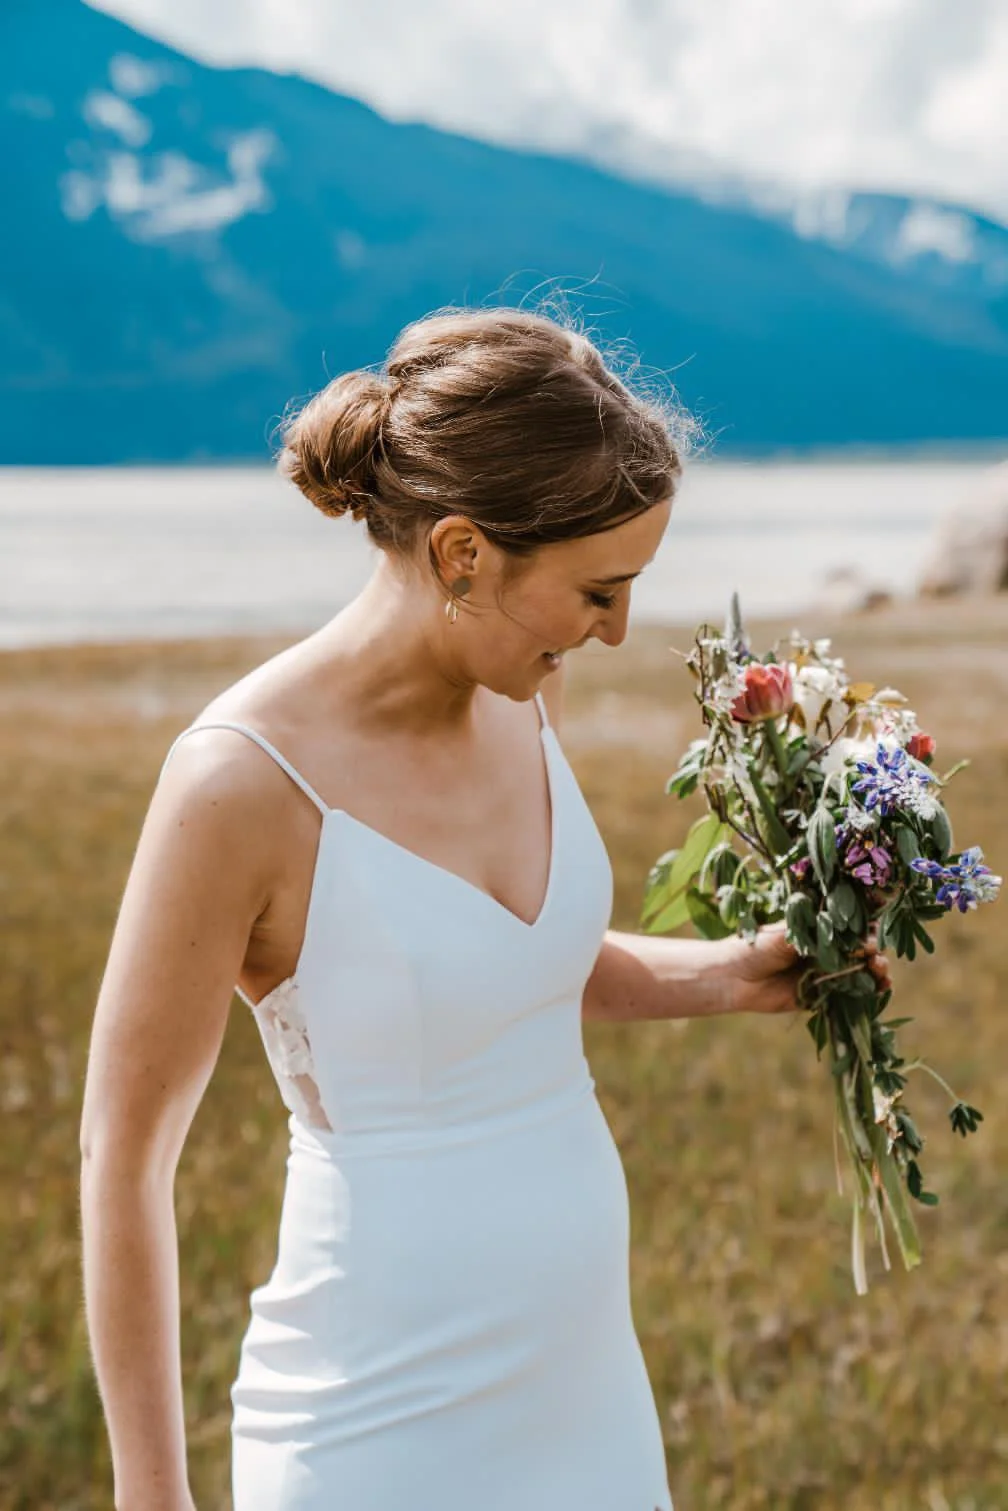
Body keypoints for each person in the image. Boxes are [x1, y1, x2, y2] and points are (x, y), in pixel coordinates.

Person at [79, 306, 890, 1511]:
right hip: (376, 1418)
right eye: (598, 591)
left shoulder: (517, 694)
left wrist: (741, 967)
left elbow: (516, 974)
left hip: (585, 1394)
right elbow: (123, 1157)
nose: (616, 630)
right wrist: (155, 1498)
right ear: (463, 553)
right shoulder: (239, 784)